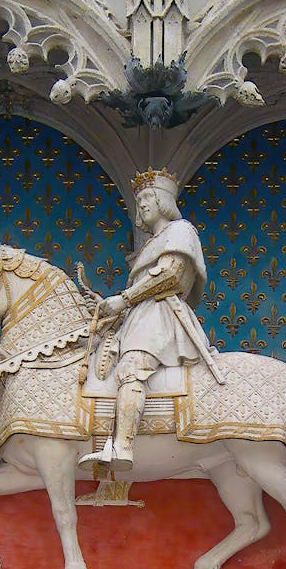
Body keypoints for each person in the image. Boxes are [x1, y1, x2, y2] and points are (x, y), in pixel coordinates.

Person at [78, 168, 222, 472]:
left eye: (147, 197)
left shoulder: (181, 231)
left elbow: (170, 275)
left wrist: (124, 299)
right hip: (139, 315)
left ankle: (123, 447)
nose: (141, 204)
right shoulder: (150, 243)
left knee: (132, 368)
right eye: (139, 199)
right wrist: (111, 305)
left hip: (161, 315)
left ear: (163, 201)